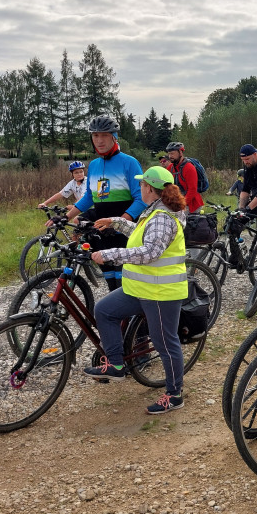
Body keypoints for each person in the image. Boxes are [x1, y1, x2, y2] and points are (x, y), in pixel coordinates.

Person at [83, 166, 190, 414]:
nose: (139, 188)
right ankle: (116, 365)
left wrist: (110, 255)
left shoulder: (163, 217)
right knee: (105, 310)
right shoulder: (153, 211)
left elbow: (150, 251)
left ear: (150, 188)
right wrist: (116, 223)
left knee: (164, 343)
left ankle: (175, 394)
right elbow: (140, 234)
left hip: (160, 293)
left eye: (142, 184)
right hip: (140, 288)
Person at [63, 116, 145, 290]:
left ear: (114, 137)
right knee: (111, 282)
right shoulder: (93, 165)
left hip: (125, 232)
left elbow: (141, 199)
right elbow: (90, 198)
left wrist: (119, 222)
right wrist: (65, 217)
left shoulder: (129, 163)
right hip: (102, 232)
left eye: (104, 135)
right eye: (95, 136)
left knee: (127, 283)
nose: (99, 140)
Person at [164, 141, 204, 213]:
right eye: (169, 154)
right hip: (178, 203)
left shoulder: (189, 167)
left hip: (191, 204)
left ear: (180, 152)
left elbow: (192, 190)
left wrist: (181, 205)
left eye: (172, 153)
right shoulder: (170, 168)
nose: (170, 156)